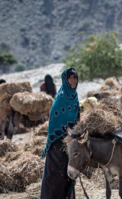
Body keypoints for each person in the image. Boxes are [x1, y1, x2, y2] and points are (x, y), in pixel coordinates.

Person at [40, 68, 79, 199]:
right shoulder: (62, 96)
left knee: (70, 172)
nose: (73, 80)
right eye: (71, 78)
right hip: (58, 143)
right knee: (57, 174)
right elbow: (55, 119)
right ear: (65, 79)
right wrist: (66, 132)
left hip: (70, 140)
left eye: (75, 78)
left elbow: (76, 117)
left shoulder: (74, 95)